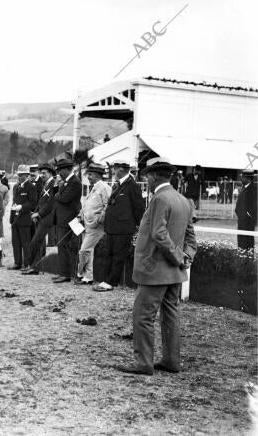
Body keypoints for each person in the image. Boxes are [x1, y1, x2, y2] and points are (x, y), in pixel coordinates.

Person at [116, 157, 196, 375]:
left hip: (155, 271)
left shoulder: (159, 199)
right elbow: (191, 236)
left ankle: (143, 363)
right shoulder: (183, 200)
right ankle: (171, 361)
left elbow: (158, 234)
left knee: (143, 316)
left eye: (147, 177)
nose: (146, 181)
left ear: (152, 177)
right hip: (174, 273)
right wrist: (185, 257)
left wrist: (178, 257)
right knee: (171, 314)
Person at [95, 159, 145, 292]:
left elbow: (139, 208)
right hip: (112, 227)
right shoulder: (118, 185)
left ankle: (111, 282)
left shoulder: (132, 186)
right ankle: (106, 280)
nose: (113, 171)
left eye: (114, 168)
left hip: (123, 228)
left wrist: (137, 227)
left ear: (121, 169)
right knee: (109, 254)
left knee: (118, 256)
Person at [76, 163, 111, 285]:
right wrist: (81, 213)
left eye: (90, 174)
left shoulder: (104, 187)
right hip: (87, 224)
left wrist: (100, 219)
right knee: (89, 251)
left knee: (84, 250)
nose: (88, 177)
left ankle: (79, 273)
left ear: (97, 175)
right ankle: (88, 277)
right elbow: (88, 204)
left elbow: (108, 204)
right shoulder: (94, 187)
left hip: (96, 225)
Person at [51, 158, 82, 283]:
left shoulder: (75, 182)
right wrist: (59, 191)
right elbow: (59, 197)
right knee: (63, 246)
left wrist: (59, 192)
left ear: (67, 169)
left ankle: (67, 274)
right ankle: (64, 272)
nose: (59, 173)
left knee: (68, 245)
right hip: (63, 219)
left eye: (60, 170)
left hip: (71, 219)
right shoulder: (65, 182)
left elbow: (63, 198)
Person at [23, 164, 57, 275]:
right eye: (41, 173)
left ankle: (33, 266)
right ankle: (36, 267)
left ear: (51, 173)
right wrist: (35, 212)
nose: (42, 175)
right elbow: (41, 201)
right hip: (41, 216)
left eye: (44, 173)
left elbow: (51, 203)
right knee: (39, 242)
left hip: (48, 217)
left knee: (35, 241)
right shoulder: (46, 183)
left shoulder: (54, 184)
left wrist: (39, 214)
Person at [8, 165, 38, 270]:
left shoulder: (31, 187)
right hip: (15, 219)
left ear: (26, 175)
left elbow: (33, 203)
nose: (19, 177)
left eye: (21, 175)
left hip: (25, 218)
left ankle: (27, 264)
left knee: (25, 242)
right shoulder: (16, 186)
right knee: (15, 242)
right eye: (18, 175)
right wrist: (11, 219)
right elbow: (14, 202)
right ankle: (17, 263)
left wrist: (22, 207)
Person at [235, 169, 257, 250]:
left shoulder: (254, 189)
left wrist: (248, 215)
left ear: (248, 178)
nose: (241, 179)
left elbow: (254, 206)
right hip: (241, 220)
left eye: (243, 177)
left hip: (248, 221)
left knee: (247, 241)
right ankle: (242, 256)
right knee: (241, 241)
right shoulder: (244, 187)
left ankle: (248, 259)